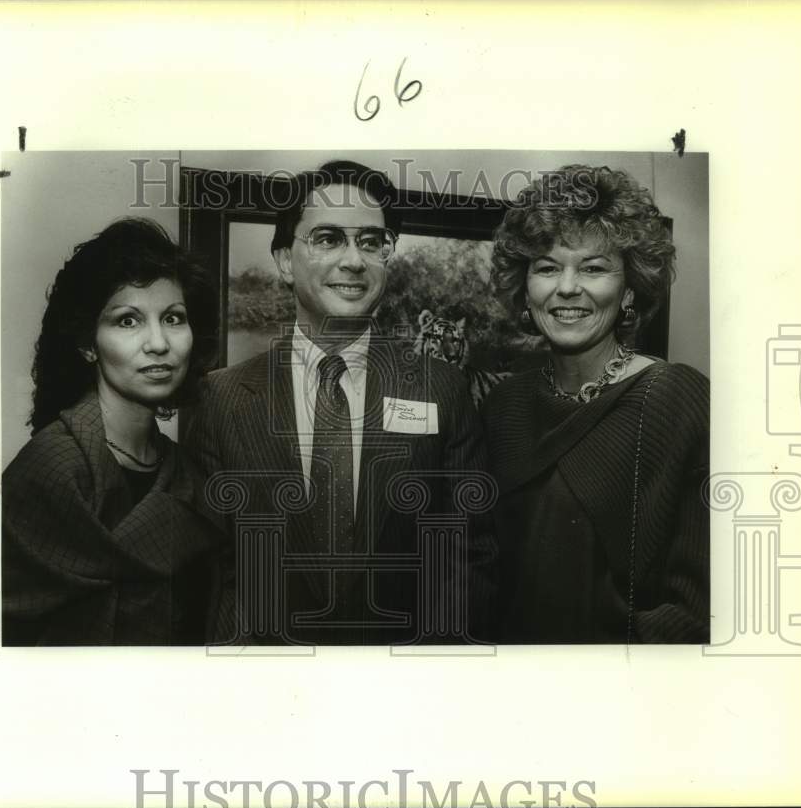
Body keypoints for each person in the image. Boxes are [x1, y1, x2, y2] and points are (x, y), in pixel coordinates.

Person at [195, 161, 496, 645]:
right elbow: (214, 568)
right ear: (285, 261)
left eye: (371, 242)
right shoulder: (223, 398)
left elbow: (468, 553)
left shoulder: (440, 389)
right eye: (328, 238)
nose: (354, 260)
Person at [483, 165, 709, 644]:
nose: (567, 287)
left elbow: (697, 610)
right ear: (525, 289)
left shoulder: (675, 400)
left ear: (630, 289)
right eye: (547, 267)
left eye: (593, 267)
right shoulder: (502, 406)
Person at [2, 218, 221, 645]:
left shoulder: (184, 471)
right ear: (88, 343)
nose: (158, 343)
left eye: (173, 318)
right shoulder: (52, 468)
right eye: (127, 321)